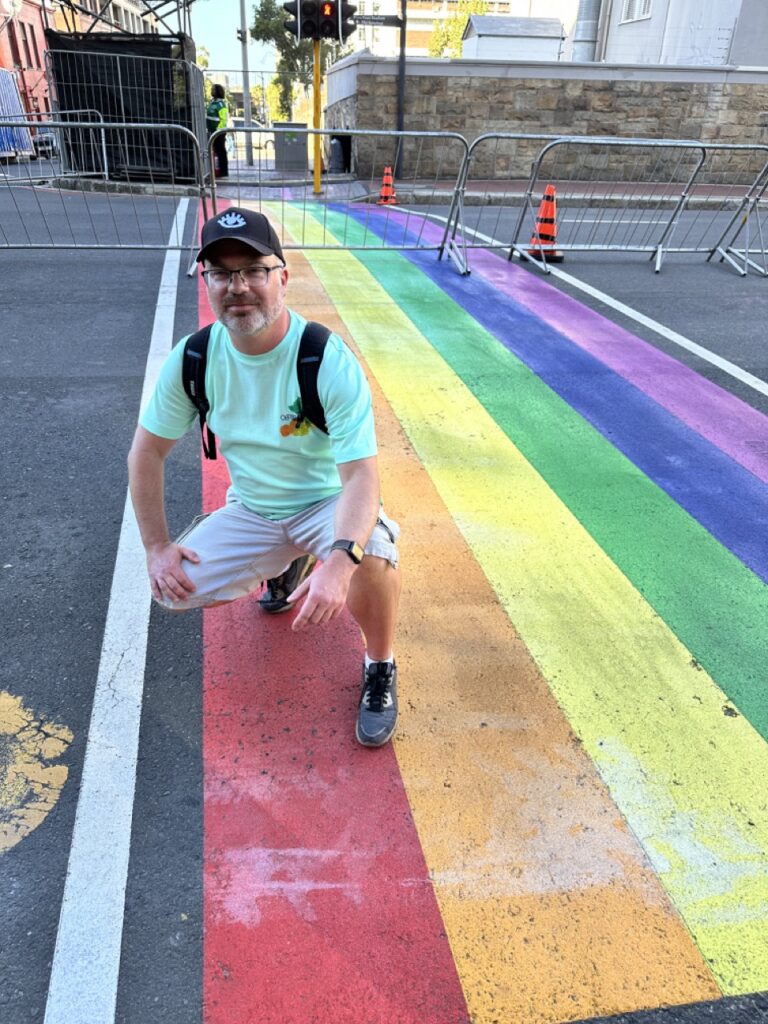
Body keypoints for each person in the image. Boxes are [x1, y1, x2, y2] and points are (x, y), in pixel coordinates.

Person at [127, 207, 402, 747]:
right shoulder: (195, 358)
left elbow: (362, 478)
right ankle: (283, 562)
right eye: (222, 273)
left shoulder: (322, 358)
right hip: (254, 507)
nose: (239, 287)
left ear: (283, 276)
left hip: (327, 503)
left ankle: (380, 665)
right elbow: (145, 454)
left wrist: (341, 561)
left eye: (253, 270)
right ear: (205, 281)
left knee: (373, 556)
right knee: (172, 591)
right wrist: (157, 546)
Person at [206, 83, 229, 179]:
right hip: (212, 131)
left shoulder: (220, 104)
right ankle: (216, 170)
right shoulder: (212, 103)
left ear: (218, 92)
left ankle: (223, 172)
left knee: (221, 152)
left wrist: (218, 131)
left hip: (218, 132)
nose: (211, 91)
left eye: (213, 90)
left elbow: (223, 119)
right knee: (215, 151)